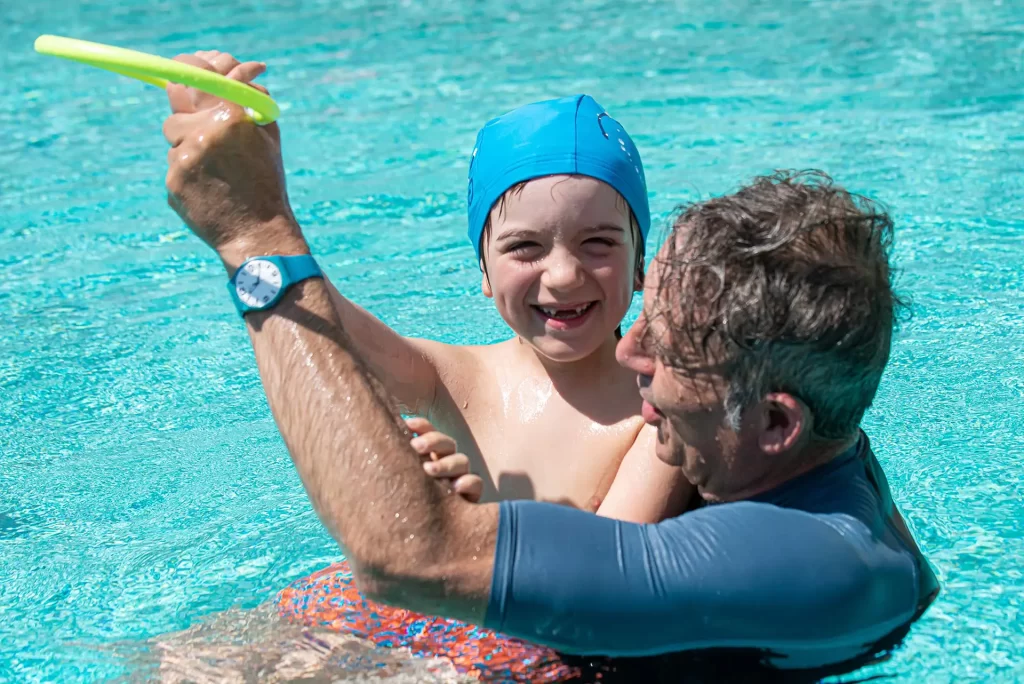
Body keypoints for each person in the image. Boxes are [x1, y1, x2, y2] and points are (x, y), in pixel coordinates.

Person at [163, 67, 939, 682]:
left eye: (664, 348)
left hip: (539, 645)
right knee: (188, 660)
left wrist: (253, 233)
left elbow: (417, 558)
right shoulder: (798, 425)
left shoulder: (808, 562)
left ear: (775, 423)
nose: (629, 354)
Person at [164, 52, 693, 529]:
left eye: (597, 243)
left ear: (641, 260)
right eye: (524, 247)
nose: (563, 275)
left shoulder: (666, 410)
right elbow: (315, 320)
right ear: (484, 273)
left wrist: (442, 524)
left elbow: (605, 583)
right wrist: (243, 186)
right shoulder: (452, 381)